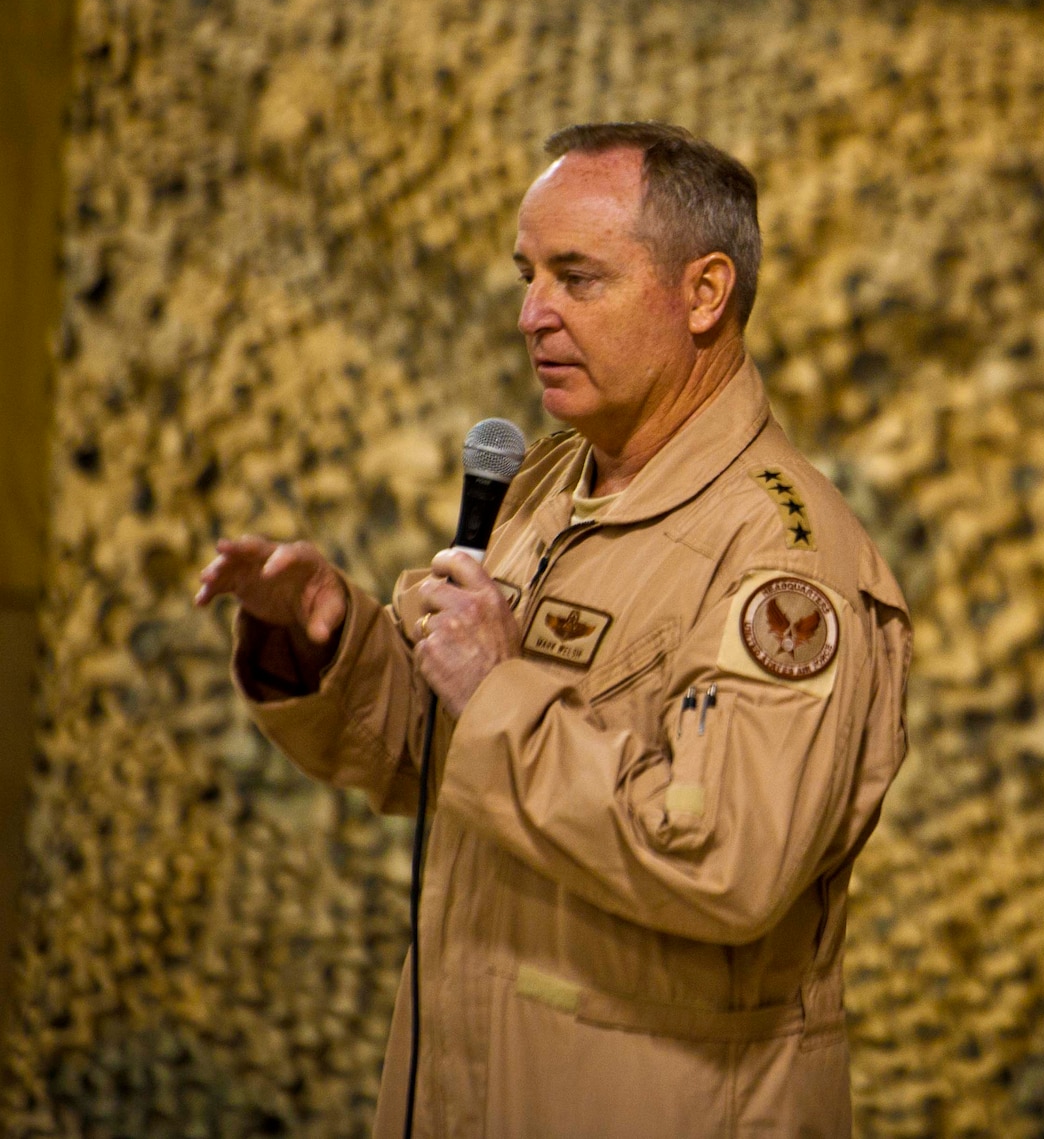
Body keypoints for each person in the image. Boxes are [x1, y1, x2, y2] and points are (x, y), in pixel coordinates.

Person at [193, 122, 910, 1138]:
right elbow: (437, 755)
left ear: (704, 293)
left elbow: (727, 861)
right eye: (528, 274)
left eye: (578, 277)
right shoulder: (542, 485)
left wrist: (499, 689)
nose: (533, 314)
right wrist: (332, 642)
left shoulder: (782, 559)